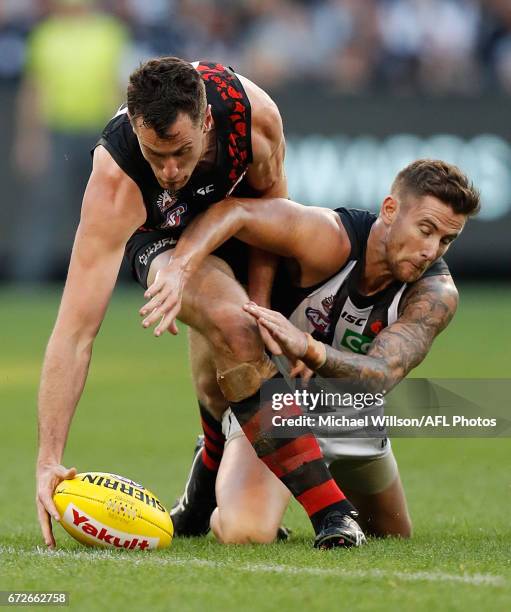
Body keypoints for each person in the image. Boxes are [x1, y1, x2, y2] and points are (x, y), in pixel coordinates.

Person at [36, 56, 365, 551]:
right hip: (162, 243)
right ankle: (335, 513)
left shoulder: (255, 119)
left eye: (182, 152)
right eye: (155, 153)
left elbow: (270, 218)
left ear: (207, 121)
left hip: (240, 223)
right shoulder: (117, 175)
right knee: (233, 326)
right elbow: (75, 331)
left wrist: (263, 313)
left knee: (243, 338)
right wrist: (48, 458)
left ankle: (201, 486)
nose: (169, 171)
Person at [148, 159, 480, 543]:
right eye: (426, 230)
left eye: (445, 240)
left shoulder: (436, 294)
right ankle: (220, 450)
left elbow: (382, 374)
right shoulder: (327, 237)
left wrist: (307, 347)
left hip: (352, 417)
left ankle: (222, 458)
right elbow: (235, 211)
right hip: (276, 407)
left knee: (392, 536)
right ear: (390, 210)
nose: (430, 250)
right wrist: (180, 269)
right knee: (246, 533)